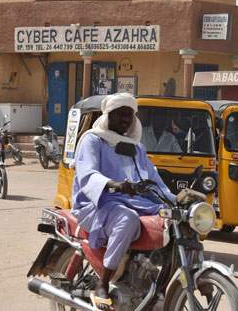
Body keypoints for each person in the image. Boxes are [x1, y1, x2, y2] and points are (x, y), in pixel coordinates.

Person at [71, 93, 175, 310]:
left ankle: (159, 283)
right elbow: (87, 174)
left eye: (130, 115)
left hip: (134, 203)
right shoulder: (93, 139)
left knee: (175, 220)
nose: (126, 119)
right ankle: (103, 283)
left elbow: (153, 179)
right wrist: (113, 183)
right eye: (121, 114)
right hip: (97, 204)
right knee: (127, 219)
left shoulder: (136, 147)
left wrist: (177, 199)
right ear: (109, 115)